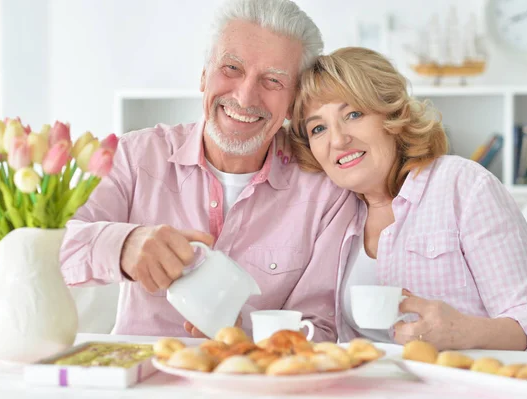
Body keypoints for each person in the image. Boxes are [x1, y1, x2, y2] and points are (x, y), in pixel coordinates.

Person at [59, 0, 357, 341]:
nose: (245, 97)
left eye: (273, 81)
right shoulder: (135, 156)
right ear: (204, 74)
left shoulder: (325, 191)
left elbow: (319, 328)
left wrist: (246, 341)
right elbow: (55, 249)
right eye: (231, 68)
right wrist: (122, 246)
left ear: (293, 102)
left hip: (257, 386)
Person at [286, 46, 527, 351]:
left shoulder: (463, 185)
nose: (337, 139)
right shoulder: (336, 213)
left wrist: (465, 333)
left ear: (392, 114)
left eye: (353, 114)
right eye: (318, 128)